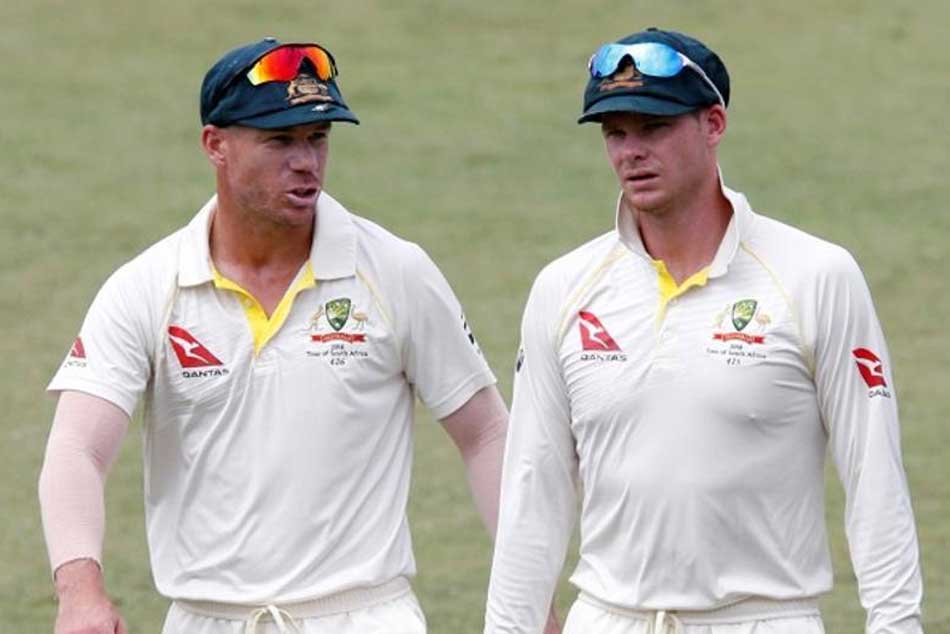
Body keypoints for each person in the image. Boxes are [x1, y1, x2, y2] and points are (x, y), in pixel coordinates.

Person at [39, 38, 511, 634]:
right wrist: (80, 592)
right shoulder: (147, 288)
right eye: (280, 141)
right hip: (206, 621)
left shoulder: (397, 272)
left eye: (318, 138)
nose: (307, 161)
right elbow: (78, 448)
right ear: (216, 145)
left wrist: (529, 593)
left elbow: (486, 434)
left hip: (364, 618)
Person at [484, 27, 923, 634]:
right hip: (608, 618)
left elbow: (875, 478)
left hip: (765, 620)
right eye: (615, 133)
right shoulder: (564, 288)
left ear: (713, 124)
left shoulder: (816, 276)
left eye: (654, 127)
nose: (631, 152)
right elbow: (533, 491)